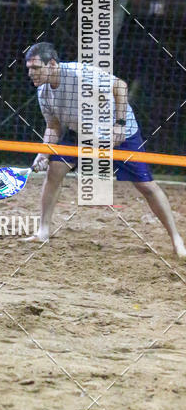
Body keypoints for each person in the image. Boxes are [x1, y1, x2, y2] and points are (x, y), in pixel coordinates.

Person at [25, 41, 186, 258]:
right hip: (80, 132)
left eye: (35, 68)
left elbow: (120, 86)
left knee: (146, 186)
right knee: (54, 171)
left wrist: (118, 125)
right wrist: (42, 154)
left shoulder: (79, 74)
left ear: (52, 64)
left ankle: (176, 239)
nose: (30, 73)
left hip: (117, 132)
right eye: (28, 68)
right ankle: (43, 231)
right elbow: (53, 126)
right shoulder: (43, 92)